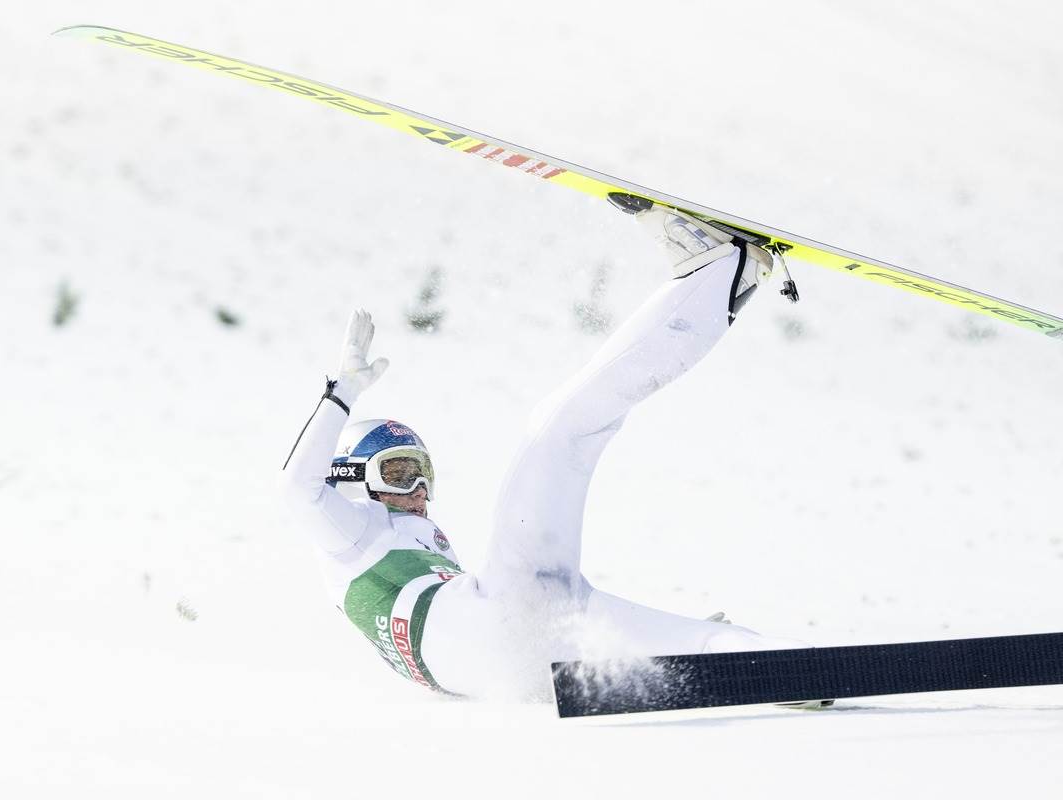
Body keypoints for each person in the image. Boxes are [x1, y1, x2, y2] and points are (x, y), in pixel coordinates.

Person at [281, 194, 810, 701]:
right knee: (559, 431)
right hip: (508, 621)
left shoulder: (414, 546)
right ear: (351, 478)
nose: (418, 488)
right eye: (397, 473)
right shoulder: (347, 533)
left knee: (699, 639)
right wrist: (341, 392)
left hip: (530, 654)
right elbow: (298, 488)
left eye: (422, 473)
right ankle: (719, 270)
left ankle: (777, 667)